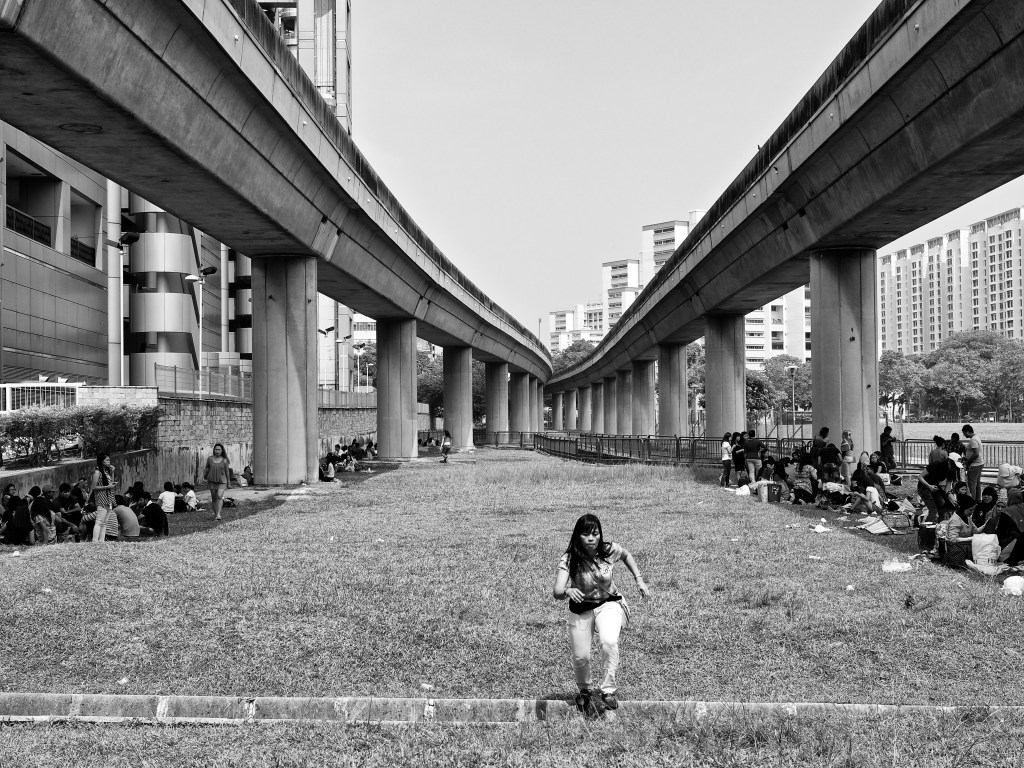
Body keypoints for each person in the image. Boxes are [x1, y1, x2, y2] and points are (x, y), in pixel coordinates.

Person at [553, 514, 649, 715]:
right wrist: (568, 591)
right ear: (577, 536)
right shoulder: (570, 558)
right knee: (581, 656)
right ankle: (585, 691)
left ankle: (608, 691)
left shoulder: (608, 550)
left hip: (609, 603)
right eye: (586, 534)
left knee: (608, 640)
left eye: (595, 534)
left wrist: (639, 580)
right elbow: (557, 591)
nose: (591, 538)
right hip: (581, 608)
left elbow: (626, 555)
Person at [89, 453, 117, 543]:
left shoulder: (106, 472)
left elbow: (110, 483)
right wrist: (106, 487)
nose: (109, 462)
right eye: (107, 460)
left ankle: (101, 541)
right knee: (99, 521)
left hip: (109, 498)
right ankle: (95, 540)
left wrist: (112, 472)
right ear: (102, 462)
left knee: (105, 522)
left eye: (109, 460)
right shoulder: (97, 472)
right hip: (101, 498)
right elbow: (93, 487)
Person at [204, 443, 233, 521]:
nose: (217, 451)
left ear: (222, 450)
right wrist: (205, 474)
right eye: (216, 449)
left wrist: (229, 482)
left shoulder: (225, 460)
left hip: (222, 481)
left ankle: (219, 515)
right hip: (212, 480)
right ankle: (216, 514)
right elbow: (207, 467)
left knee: (220, 496)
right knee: (214, 498)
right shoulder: (210, 459)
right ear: (214, 450)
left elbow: (227, 472)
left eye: (219, 449)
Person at [962, 424, 984, 502]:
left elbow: (976, 453)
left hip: (975, 465)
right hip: (979, 463)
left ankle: (972, 501)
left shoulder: (973, 440)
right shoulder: (976, 437)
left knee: (971, 484)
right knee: (977, 483)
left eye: (964, 433)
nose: (964, 435)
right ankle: (978, 500)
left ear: (967, 432)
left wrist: (967, 461)